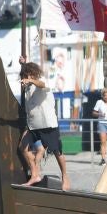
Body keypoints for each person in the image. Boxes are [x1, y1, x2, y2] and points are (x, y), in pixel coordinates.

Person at [19, 60, 70, 190]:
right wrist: (23, 64)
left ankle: (65, 176)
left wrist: (30, 80)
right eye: (24, 75)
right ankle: (35, 175)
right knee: (23, 148)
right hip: (33, 125)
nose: (25, 78)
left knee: (57, 152)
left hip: (47, 124)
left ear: (34, 74)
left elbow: (41, 84)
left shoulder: (42, 81)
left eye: (28, 75)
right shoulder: (28, 87)